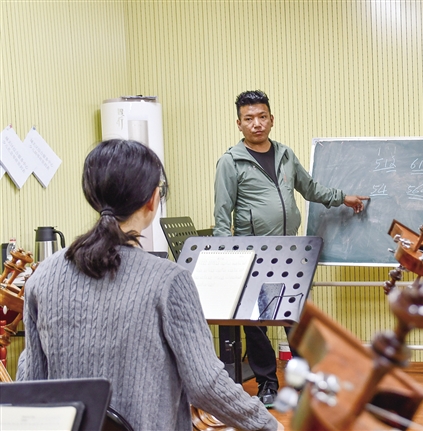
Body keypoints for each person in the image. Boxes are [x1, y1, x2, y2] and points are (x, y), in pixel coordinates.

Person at [17, 139, 280, 431]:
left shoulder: (42, 276)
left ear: (92, 196)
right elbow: (207, 385)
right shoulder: (169, 280)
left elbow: (29, 384)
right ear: (153, 199)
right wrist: (271, 426)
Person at [213, 90, 369, 407]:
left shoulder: (285, 154)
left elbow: (310, 189)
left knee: (293, 317)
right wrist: (226, 262)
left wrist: (343, 197)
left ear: (271, 119)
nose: (256, 123)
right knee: (256, 324)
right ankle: (267, 384)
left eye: (262, 116)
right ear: (239, 124)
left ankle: (304, 382)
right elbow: (222, 214)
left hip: (289, 251)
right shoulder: (230, 162)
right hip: (253, 254)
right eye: (248, 118)